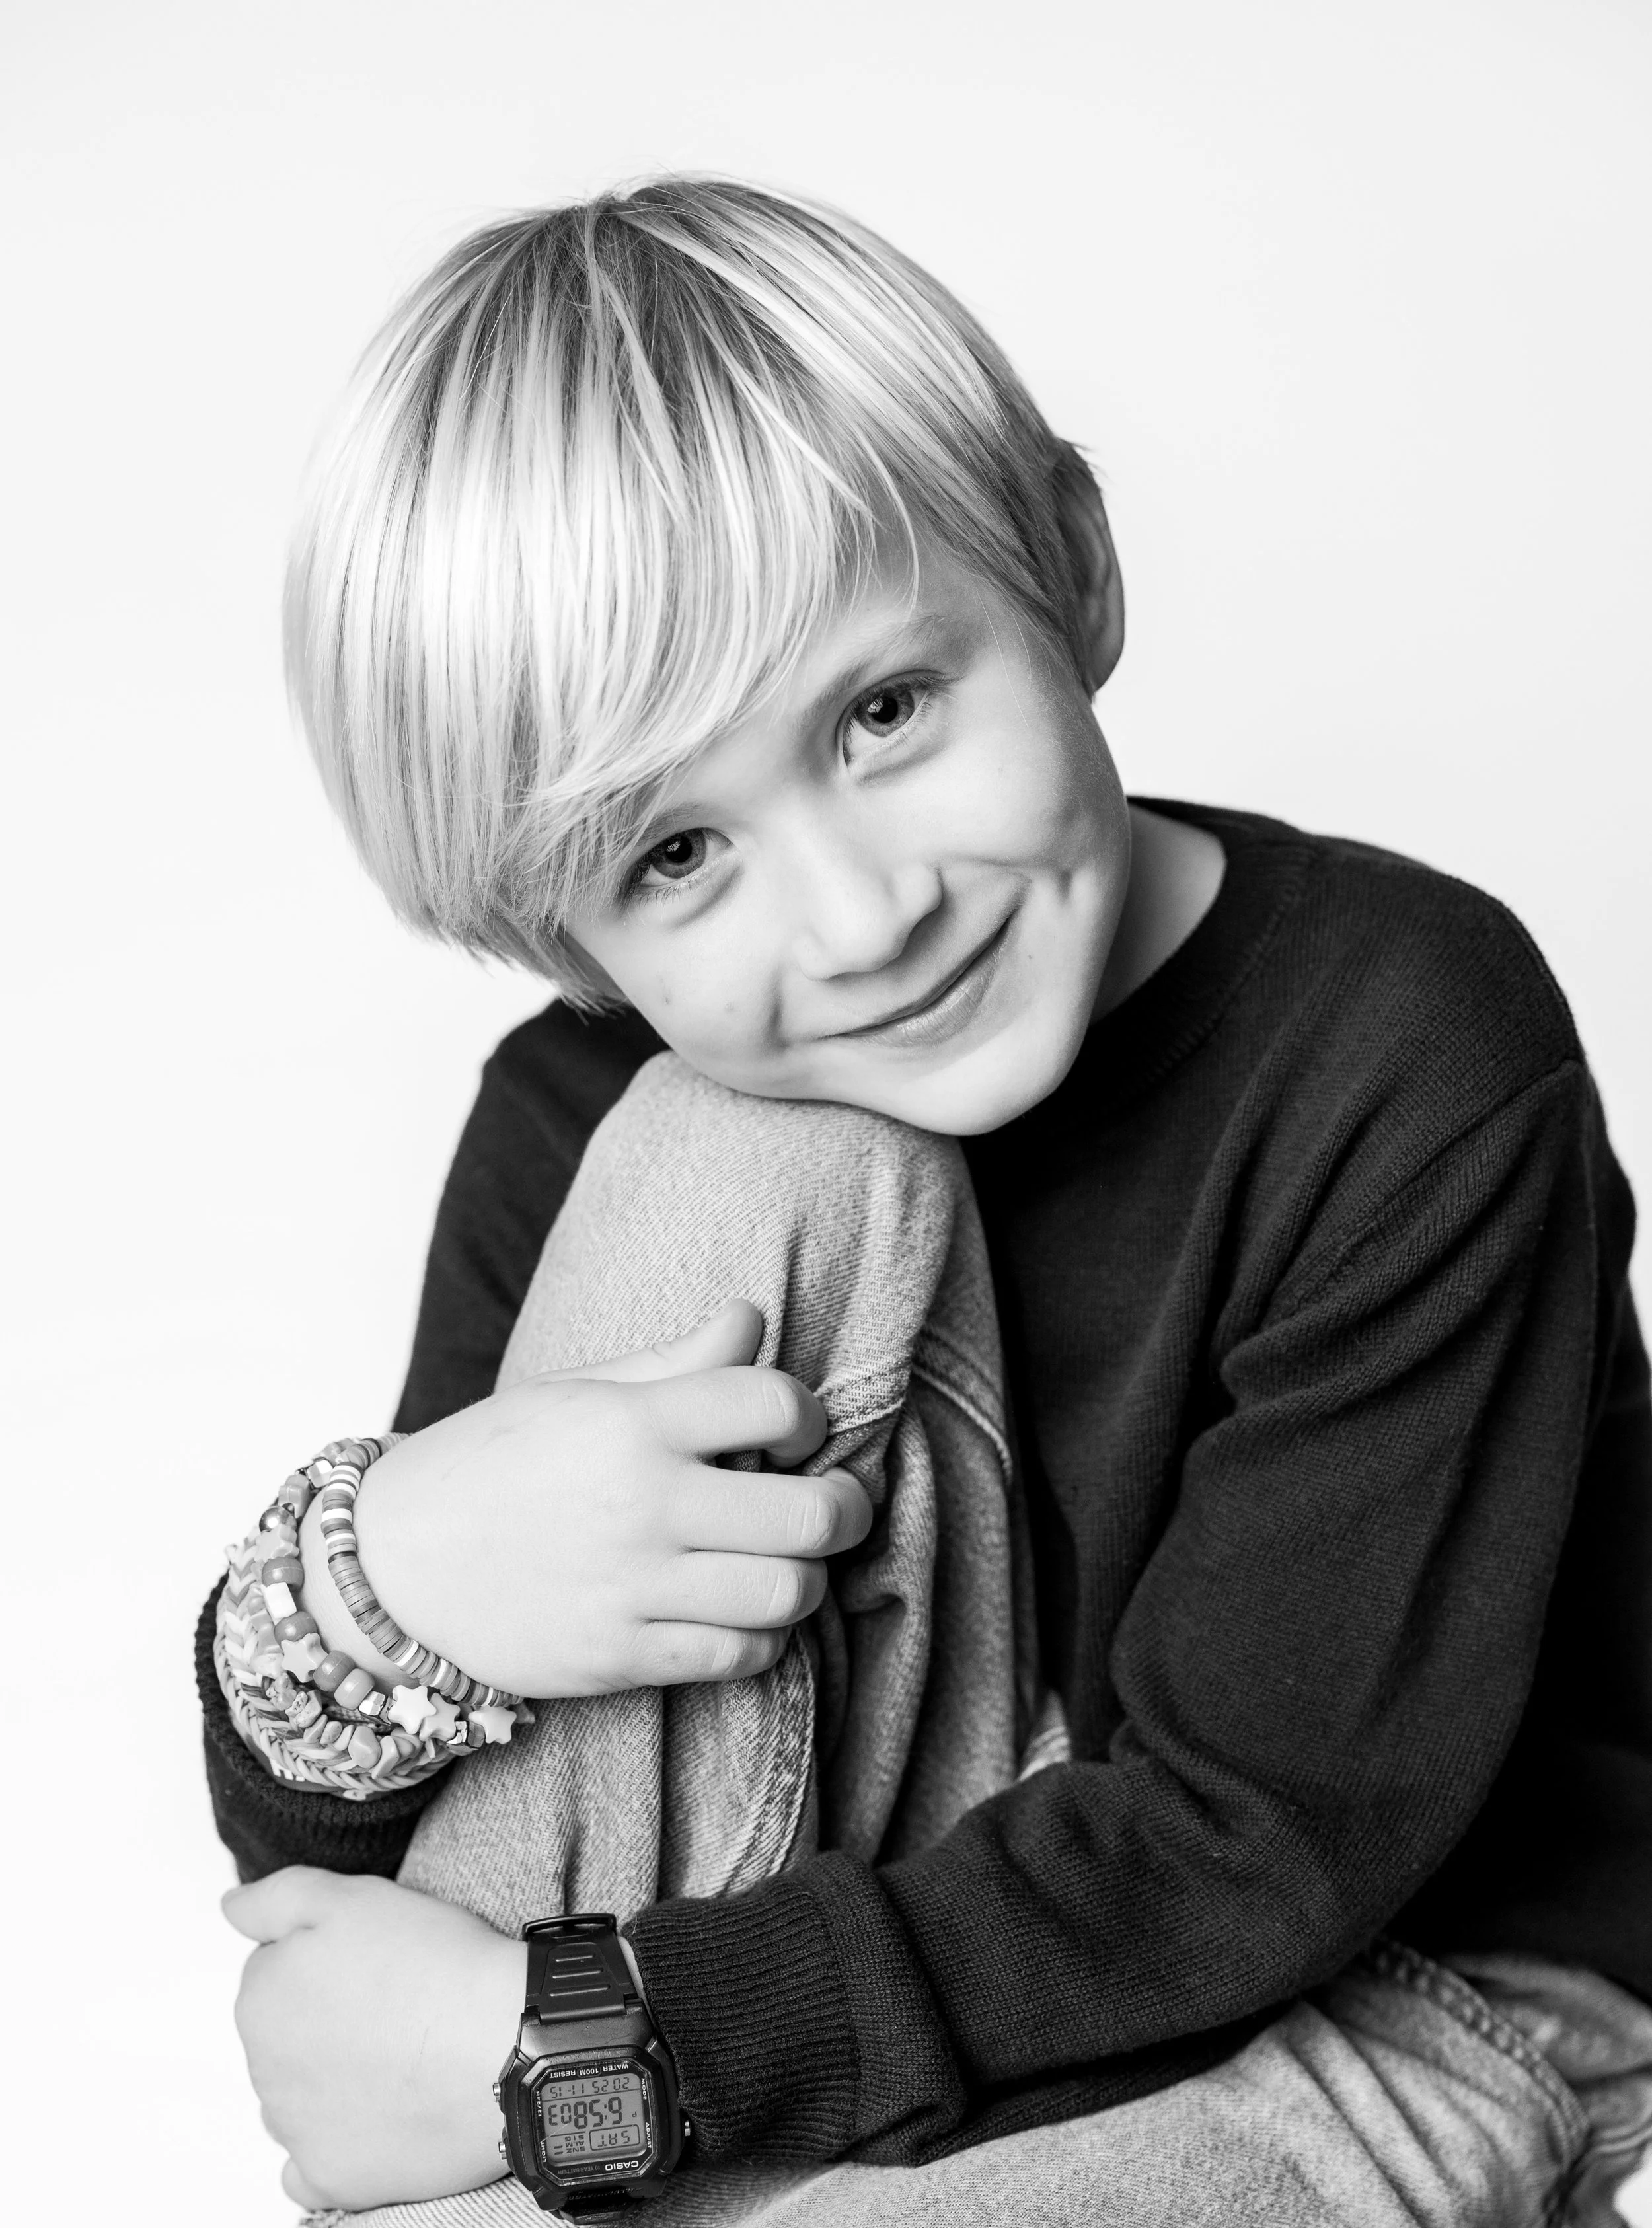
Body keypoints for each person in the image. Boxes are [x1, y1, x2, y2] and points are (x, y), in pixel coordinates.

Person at [203, 178, 1652, 2226]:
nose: (866, 914)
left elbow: (1268, 1838)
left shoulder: (1402, 1035)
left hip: (1400, 1982)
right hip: (832, 1957)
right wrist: (399, 1578)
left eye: (884, 712)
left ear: (1063, 562)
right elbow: (363, 1916)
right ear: (555, 929)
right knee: (731, 1136)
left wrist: (592, 2057)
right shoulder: (595, 1102)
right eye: (676, 854)